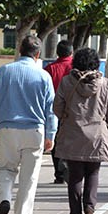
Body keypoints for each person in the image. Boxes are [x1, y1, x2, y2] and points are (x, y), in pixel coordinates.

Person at [0, 35, 57, 214]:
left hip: (7, 129)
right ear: (38, 54)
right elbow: (51, 109)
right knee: (29, 176)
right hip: (34, 130)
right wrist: (51, 134)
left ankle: (4, 200)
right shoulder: (43, 76)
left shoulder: (5, 71)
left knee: (5, 169)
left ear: (19, 51)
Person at [53, 48, 108, 214]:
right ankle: (89, 208)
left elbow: (57, 107)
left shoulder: (67, 82)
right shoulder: (104, 84)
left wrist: (69, 117)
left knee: (74, 177)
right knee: (93, 173)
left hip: (73, 134)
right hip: (97, 135)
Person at [44, 40, 73, 184]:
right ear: (71, 52)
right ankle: (70, 167)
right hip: (73, 110)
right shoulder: (75, 67)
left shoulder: (50, 69)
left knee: (55, 141)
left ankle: (59, 174)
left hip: (54, 110)